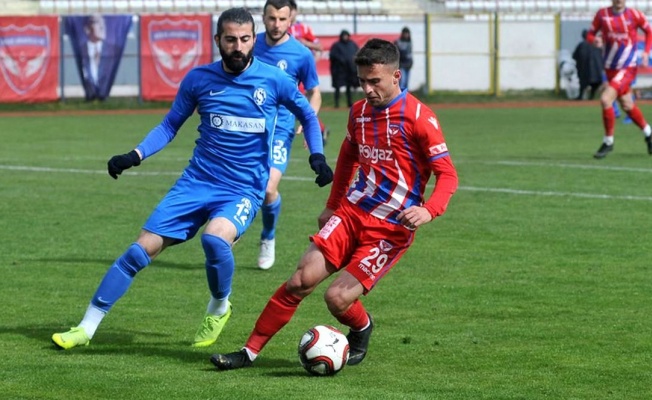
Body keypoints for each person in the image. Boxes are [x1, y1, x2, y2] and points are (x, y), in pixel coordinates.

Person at [51, 7, 333, 351]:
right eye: (231, 39)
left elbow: (305, 109)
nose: (239, 46)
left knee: (215, 240)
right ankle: (85, 328)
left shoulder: (273, 79)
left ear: (252, 40)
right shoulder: (199, 79)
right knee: (139, 252)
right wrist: (134, 155)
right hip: (196, 182)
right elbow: (170, 125)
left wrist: (316, 156)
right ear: (218, 41)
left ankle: (219, 305)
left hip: (243, 187)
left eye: (245, 39)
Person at [210, 38, 459, 371]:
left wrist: (429, 210)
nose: (367, 89)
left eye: (375, 81)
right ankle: (249, 351)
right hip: (351, 213)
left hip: (390, 229)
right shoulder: (358, 113)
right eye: (362, 81)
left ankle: (361, 326)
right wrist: (332, 205)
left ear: (397, 76)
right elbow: (347, 158)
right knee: (301, 279)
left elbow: (448, 175)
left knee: (336, 298)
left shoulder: (419, 118)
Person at [253, 0, 323, 271]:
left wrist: (309, 120)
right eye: (271, 18)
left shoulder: (300, 54)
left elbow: (314, 92)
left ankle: (267, 237)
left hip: (280, 129)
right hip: (246, 127)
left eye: (282, 19)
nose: (276, 24)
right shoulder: (249, 44)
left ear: (290, 19)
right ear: (263, 17)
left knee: (269, 188)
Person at [587, 0, 652, 159]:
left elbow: (649, 31)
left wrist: (646, 52)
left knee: (605, 99)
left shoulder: (634, 14)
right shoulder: (602, 14)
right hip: (610, 67)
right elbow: (590, 34)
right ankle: (649, 134)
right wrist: (594, 40)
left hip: (627, 67)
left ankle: (608, 141)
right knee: (627, 104)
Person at [288, 0, 330, 144]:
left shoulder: (304, 29)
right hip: (284, 74)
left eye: (291, 10)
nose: (289, 13)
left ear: (295, 11)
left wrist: (306, 44)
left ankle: (316, 130)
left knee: (299, 104)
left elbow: (319, 47)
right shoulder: (279, 29)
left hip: (298, 75)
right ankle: (320, 129)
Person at [65, 14, 132, 101]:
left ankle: (102, 94)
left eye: (102, 22)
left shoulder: (113, 49)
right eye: (96, 22)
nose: (101, 26)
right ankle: (91, 94)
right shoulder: (81, 49)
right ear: (87, 29)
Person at [329, 29, 359, 108]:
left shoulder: (352, 44)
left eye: (346, 35)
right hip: (339, 70)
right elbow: (332, 56)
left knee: (349, 87)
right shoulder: (337, 45)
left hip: (349, 70)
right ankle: (336, 104)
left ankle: (349, 102)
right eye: (344, 36)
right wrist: (341, 60)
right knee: (337, 87)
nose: (345, 37)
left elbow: (357, 54)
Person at [572, 29, 604, 100]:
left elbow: (574, 56)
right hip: (596, 71)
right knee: (595, 83)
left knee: (583, 83)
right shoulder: (596, 45)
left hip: (584, 70)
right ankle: (591, 96)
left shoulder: (582, 45)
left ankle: (581, 96)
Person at [394, 27, 413, 91]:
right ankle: (400, 98)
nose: (406, 35)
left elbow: (410, 55)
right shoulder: (398, 42)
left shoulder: (409, 42)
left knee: (406, 84)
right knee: (402, 82)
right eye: (405, 33)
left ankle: (405, 98)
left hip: (408, 65)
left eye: (407, 33)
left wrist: (411, 63)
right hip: (401, 65)